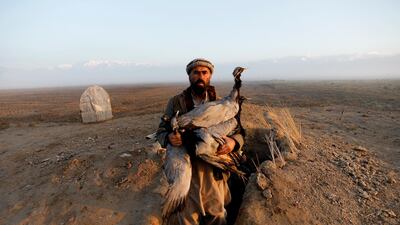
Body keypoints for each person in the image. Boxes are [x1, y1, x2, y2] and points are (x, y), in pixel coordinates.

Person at [156, 58, 245, 225]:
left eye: (204, 73)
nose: (200, 76)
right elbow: (161, 131)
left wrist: (233, 143)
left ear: (210, 76)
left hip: (213, 169)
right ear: (189, 76)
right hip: (186, 167)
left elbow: (239, 132)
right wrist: (168, 137)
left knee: (216, 214)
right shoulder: (176, 102)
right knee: (188, 216)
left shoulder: (219, 103)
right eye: (195, 72)